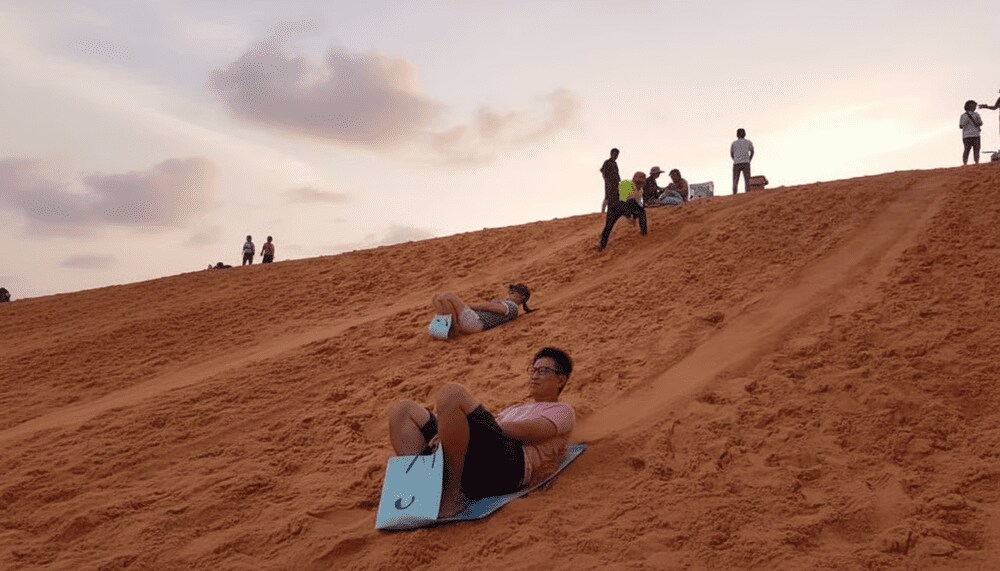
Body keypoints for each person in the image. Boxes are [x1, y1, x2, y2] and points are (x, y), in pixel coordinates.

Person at [387, 347, 575, 518]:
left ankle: (452, 496)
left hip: (511, 466)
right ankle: (422, 492)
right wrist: (448, 431)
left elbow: (533, 432)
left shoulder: (562, 410)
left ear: (561, 380)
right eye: (533, 370)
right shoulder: (514, 409)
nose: (534, 376)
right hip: (478, 459)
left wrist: (469, 427)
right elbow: (486, 429)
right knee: (403, 411)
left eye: (543, 371)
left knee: (452, 394)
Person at [430, 283, 534, 337]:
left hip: (477, 321)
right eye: (511, 290)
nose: (511, 292)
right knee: (437, 298)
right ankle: (439, 331)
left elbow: (499, 309)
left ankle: (453, 327)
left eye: (515, 291)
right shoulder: (510, 305)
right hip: (475, 321)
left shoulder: (512, 306)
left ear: (522, 297)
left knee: (448, 296)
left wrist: (471, 306)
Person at [598, 171, 648, 251]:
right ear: (634, 180)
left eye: (642, 182)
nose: (640, 184)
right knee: (609, 226)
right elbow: (622, 202)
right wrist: (629, 216)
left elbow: (637, 204)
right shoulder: (626, 184)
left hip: (627, 204)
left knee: (641, 212)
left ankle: (644, 233)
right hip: (615, 206)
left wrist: (634, 216)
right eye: (638, 182)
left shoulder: (640, 190)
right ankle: (602, 246)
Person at [730, 128, 755, 194]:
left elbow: (731, 154)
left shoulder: (734, 143)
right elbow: (752, 151)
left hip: (736, 163)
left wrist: (735, 159)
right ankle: (747, 194)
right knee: (747, 180)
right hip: (746, 163)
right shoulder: (748, 142)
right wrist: (749, 159)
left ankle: (734, 194)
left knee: (735, 180)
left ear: (737, 135)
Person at [961, 100, 984, 165]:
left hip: (975, 134)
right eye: (973, 105)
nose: (975, 107)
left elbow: (980, 123)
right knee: (967, 149)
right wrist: (967, 120)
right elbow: (961, 125)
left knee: (976, 149)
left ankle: (976, 162)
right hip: (967, 135)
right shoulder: (963, 115)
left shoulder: (976, 114)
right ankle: (965, 163)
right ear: (969, 106)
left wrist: (977, 123)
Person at [600, 148, 620, 214]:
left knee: (616, 196)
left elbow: (617, 173)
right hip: (609, 183)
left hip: (616, 183)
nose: (616, 156)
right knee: (608, 196)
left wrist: (619, 182)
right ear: (611, 154)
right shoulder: (607, 162)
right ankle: (603, 211)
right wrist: (607, 180)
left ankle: (613, 211)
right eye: (615, 154)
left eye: (617, 155)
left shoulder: (615, 163)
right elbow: (603, 171)